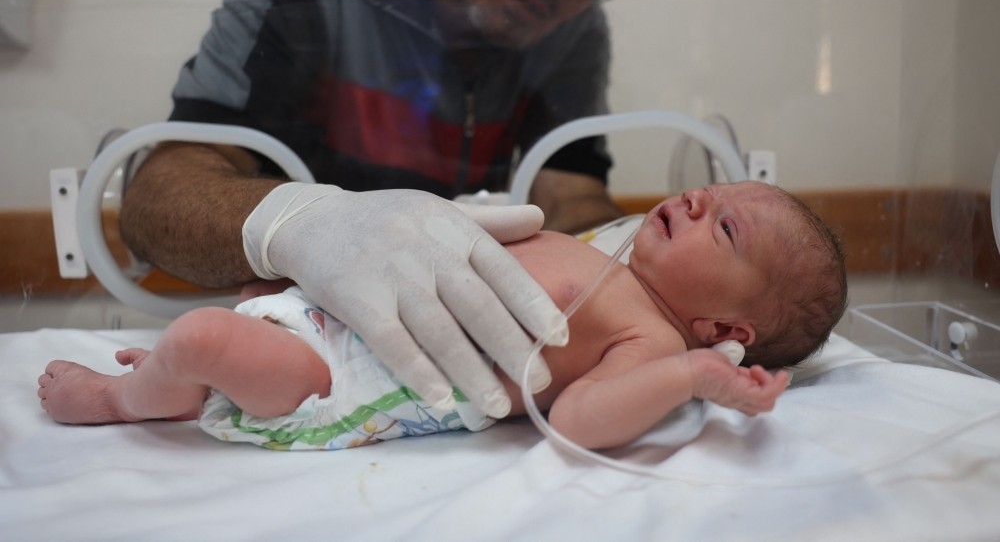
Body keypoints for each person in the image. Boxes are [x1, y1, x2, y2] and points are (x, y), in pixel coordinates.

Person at [118, 0, 689, 420]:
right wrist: (304, 224)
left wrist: (658, 287)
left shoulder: (572, 28)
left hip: (444, 367)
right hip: (296, 334)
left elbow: (570, 194)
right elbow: (161, 191)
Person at [42, 182, 848, 451]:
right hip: (346, 315)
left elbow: (583, 422)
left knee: (198, 340)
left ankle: (121, 401)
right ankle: (174, 380)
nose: (700, 200)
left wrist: (690, 377)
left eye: (727, 228)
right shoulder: (597, 248)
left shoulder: (653, 337)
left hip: (346, 382)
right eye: (715, 193)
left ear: (726, 332)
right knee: (234, 323)